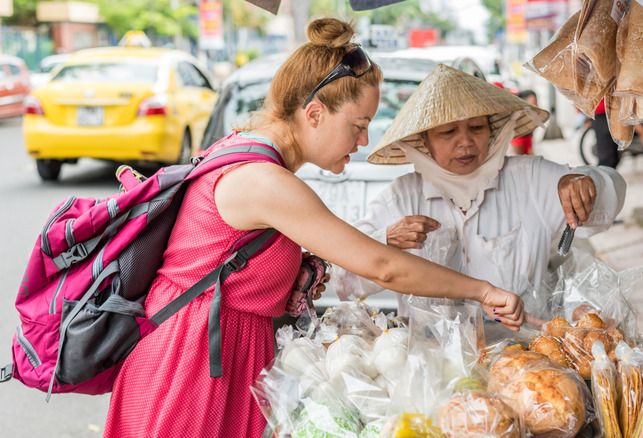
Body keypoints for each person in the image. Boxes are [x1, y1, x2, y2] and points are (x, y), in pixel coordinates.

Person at [103, 18, 526, 438]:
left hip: (218, 357)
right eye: (359, 126)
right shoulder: (265, 181)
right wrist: (482, 290)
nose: (363, 142)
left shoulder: (247, 153)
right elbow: (384, 268)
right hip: (190, 368)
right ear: (315, 114)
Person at [330, 65, 626, 320]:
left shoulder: (530, 178)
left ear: (492, 132)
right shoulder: (400, 199)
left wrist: (585, 182)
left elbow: (610, 197)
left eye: (476, 127)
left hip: (522, 360)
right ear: (424, 141)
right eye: (447, 132)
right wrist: (385, 242)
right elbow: (344, 283)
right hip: (431, 365)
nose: (466, 143)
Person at [592, 97, 621, 168]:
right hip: (603, 113)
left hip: (613, 110)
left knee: (613, 158)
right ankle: (601, 178)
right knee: (606, 160)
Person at [511, 89, 538, 155]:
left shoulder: (529, 121)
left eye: (536, 102)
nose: (537, 105)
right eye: (534, 103)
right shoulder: (518, 128)